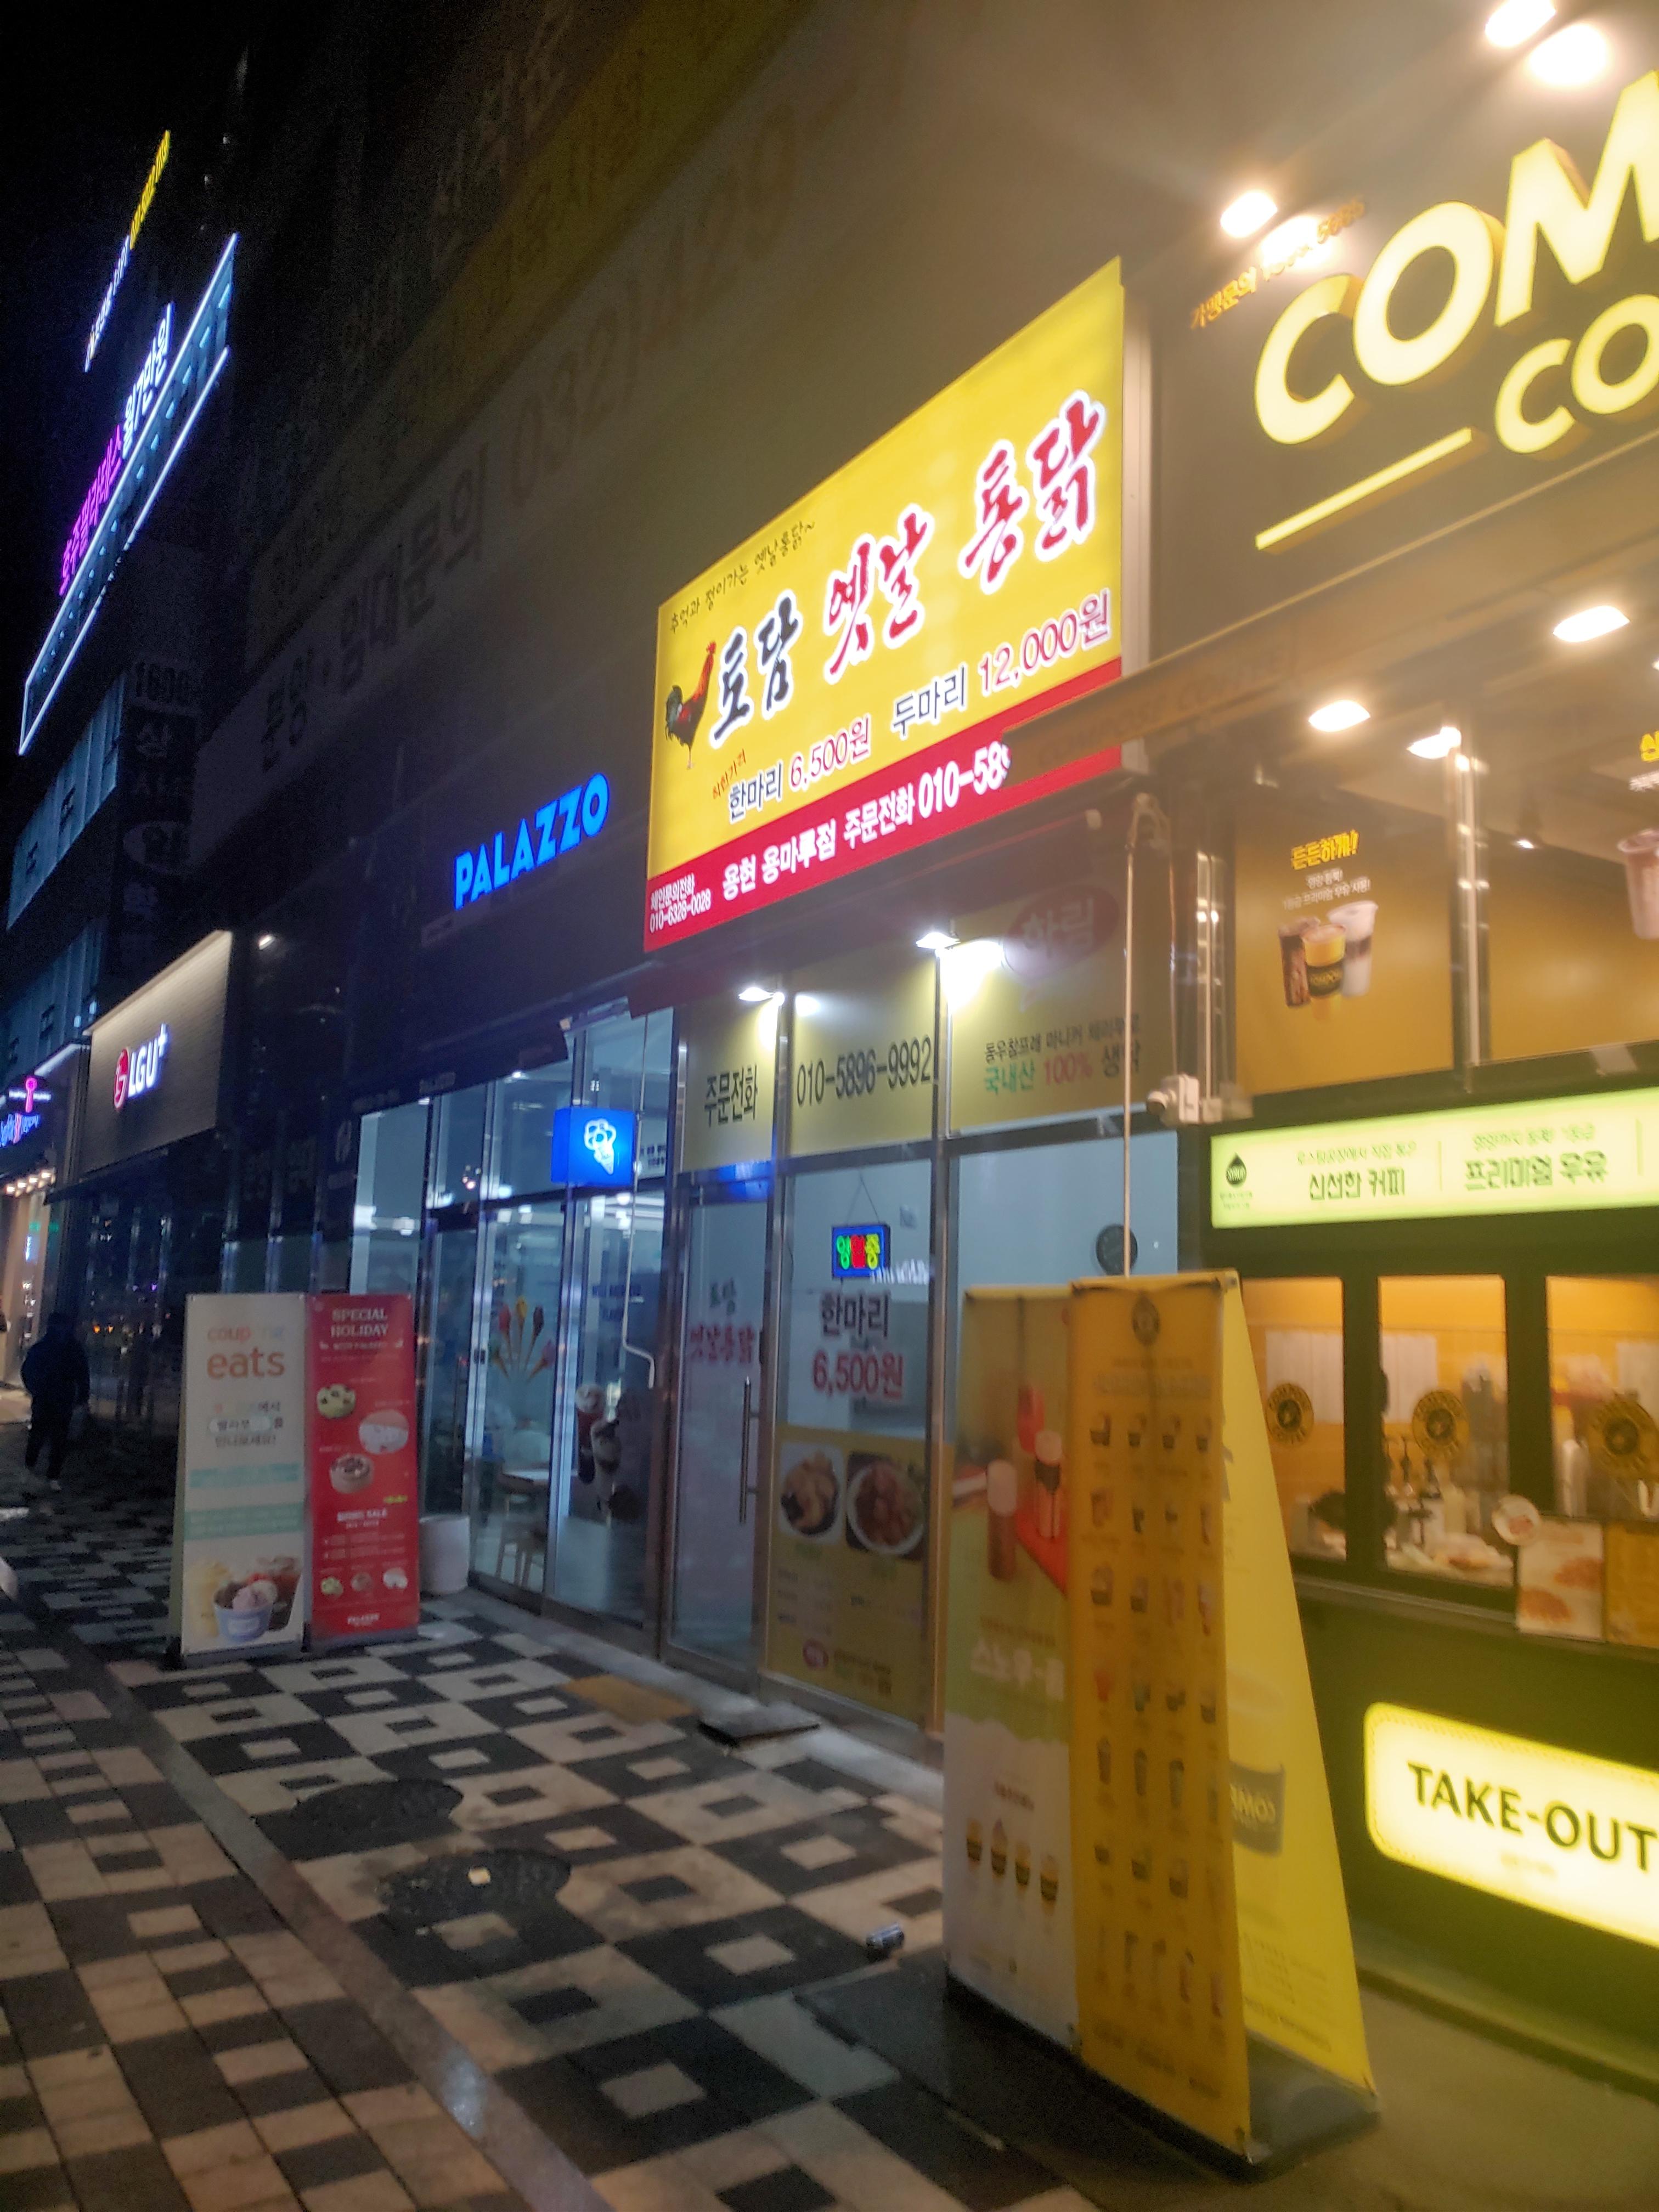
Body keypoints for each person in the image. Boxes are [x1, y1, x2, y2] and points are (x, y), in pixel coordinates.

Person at [21, 1312, 89, 1486]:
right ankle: (52, 1475)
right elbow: (83, 1374)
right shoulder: (73, 1349)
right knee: (57, 1438)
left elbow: (28, 1371)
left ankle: (34, 1469)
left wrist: (36, 1389)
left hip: (48, 1398)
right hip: (61, 1398)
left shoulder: (43, 1347)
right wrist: (82, 1396)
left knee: (41, 1435)